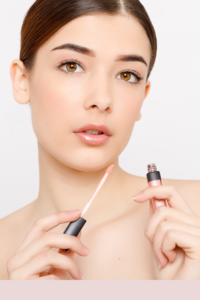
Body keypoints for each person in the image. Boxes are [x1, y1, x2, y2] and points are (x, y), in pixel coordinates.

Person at [0, 0, 200, 280]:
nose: (102, 100)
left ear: (143, 95)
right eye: (72, 66)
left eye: (127, 75)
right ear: (22, 81)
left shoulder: (195, 216)